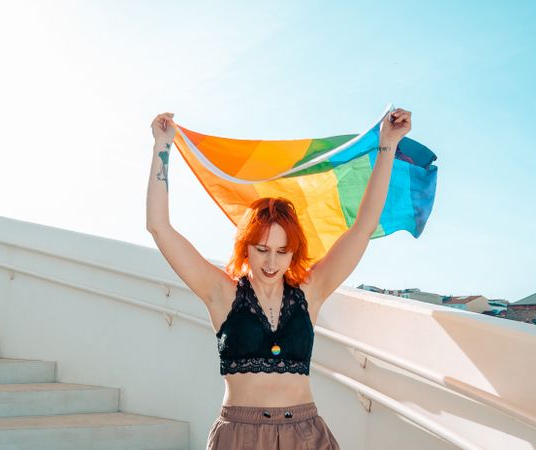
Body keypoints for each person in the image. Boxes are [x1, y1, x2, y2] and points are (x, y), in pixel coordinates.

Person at [147, 108, 412, 450]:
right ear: (246, 248)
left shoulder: (311, 291)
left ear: (294, 252)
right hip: (240, 435)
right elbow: (159, 227)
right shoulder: (221, 293)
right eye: (261, 249)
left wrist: (387, 145)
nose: (272, 262)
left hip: (304, 433)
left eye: (282, 251)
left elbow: (362, 228)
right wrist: (162, 147)